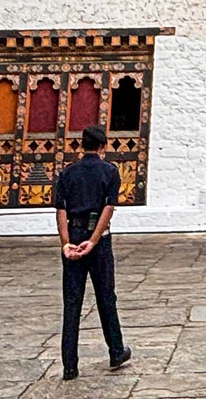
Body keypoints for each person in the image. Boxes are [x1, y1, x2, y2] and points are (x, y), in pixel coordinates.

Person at [54, 125, 132, 380]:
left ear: (81, 145)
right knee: (106, 296)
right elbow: (108, 209)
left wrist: (66, 243)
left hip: (73, 235)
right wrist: (94, 240)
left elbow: (61, 210)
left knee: (72, 301)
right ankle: (116, 350)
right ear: (102, 146)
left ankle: (69, 365)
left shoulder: (67, 173)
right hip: (98, 239)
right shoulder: (109, 171)